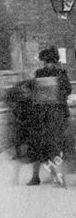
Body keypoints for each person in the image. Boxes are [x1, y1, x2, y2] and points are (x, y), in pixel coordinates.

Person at [28, 45, 72, 187]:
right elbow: (68, 90)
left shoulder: (42, 73)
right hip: (55, 114)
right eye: (47, 62)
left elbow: (33, 90)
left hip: (45, 115)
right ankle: (46, 176)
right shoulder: (60, 73)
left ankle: (40, 177)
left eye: (48, 62)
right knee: (53, 147)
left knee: (41, 146)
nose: (48, 65)